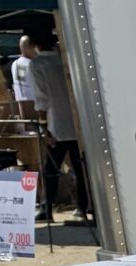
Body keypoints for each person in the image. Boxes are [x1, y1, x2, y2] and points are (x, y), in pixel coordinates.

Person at [22, 21, 90, 222]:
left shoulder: (37, 65)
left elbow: (41, 99)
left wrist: (43, 127)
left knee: (51, 169)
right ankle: (83, 206)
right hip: (77, 122)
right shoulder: (66, 60)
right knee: (80, 167)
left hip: (55, 123)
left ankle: (47, 207)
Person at [12, 35, 36, 106]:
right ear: (28, 48)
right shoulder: (31, 64)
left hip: (21, 104)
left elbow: (22, 84)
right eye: (34, 47)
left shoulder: (15, 64)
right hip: (33, 103)